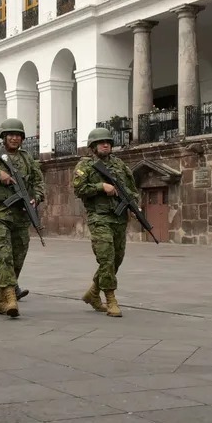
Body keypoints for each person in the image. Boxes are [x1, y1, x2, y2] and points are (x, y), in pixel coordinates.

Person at [0, 118, 44, 318]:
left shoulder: (27, 159)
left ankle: (2, 299)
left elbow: (38, 181)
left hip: (21, 215)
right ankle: (11, 298)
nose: (14, 138)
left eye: (18, 135)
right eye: (10, 135)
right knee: (3, 256)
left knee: (18, 258)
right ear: (3, 137)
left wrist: (36, 198)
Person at [72, 128, 139, 318]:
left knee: (117, 259)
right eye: (101, 142)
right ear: (93, 146)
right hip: (99, 217)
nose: (105, 144)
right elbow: (79, 188)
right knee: (106, 258)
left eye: (108, 142)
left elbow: (132, 190)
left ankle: (93, 292)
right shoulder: (85, 165)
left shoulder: (120, 165)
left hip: (118, 218)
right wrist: (101, 186)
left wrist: (134, 206)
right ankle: (110, 299)